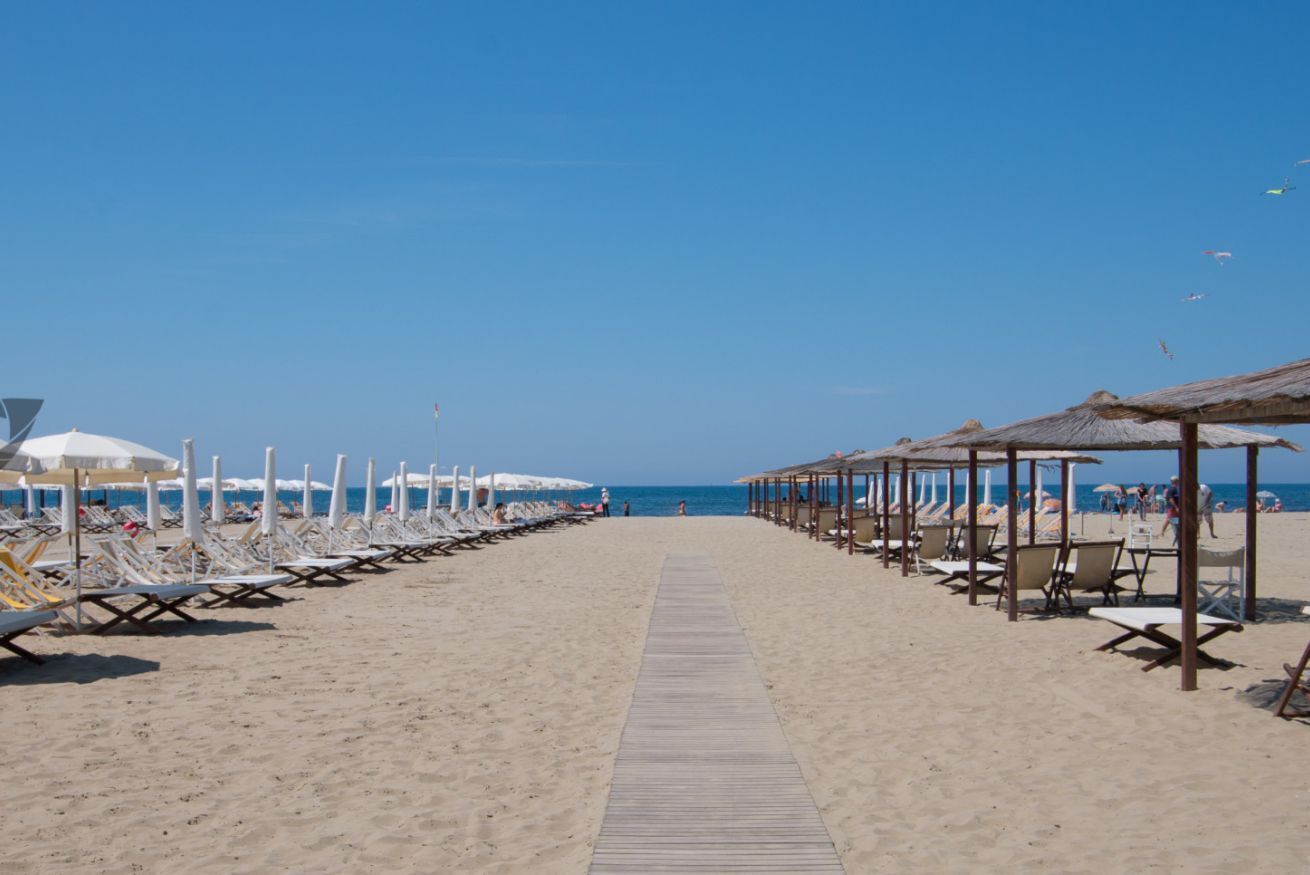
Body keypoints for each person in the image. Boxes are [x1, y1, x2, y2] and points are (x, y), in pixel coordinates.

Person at [1161, 475, 1181, 544]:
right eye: (1178, 481)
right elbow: (1170, 499)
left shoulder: (1176, 489)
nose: (1178, 482)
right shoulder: (1171, 489)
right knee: (1169, 520)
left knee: (1176, 521)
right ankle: (1162, 532)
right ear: (1175, 481)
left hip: (1176, 508)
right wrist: (1176, 507)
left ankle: (1178, 534)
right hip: (1172, 508)